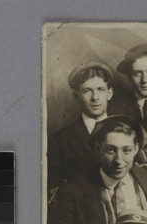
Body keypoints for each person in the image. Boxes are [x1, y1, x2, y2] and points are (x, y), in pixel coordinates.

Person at [46, 61, 114, 198]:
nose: (95, 98)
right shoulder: (59, 140)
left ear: (109, 93)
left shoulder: (127, 131)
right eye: (87, 91)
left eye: (100, 89)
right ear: (76, 95)